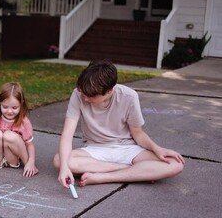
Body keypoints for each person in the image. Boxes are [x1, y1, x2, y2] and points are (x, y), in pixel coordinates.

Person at [53, 60, 184, 188]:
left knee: (175, 164)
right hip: (95, 149)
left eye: (91, 96)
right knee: (60, 160)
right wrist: (64, 168)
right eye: (83, 93)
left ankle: (103, 177)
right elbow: (67, 134)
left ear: (109, 91)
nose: (85, 98)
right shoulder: (78, 93)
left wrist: (157, 149)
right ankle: (133, 171)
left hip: (126, 148)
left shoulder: (129, 96)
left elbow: (137, 133)